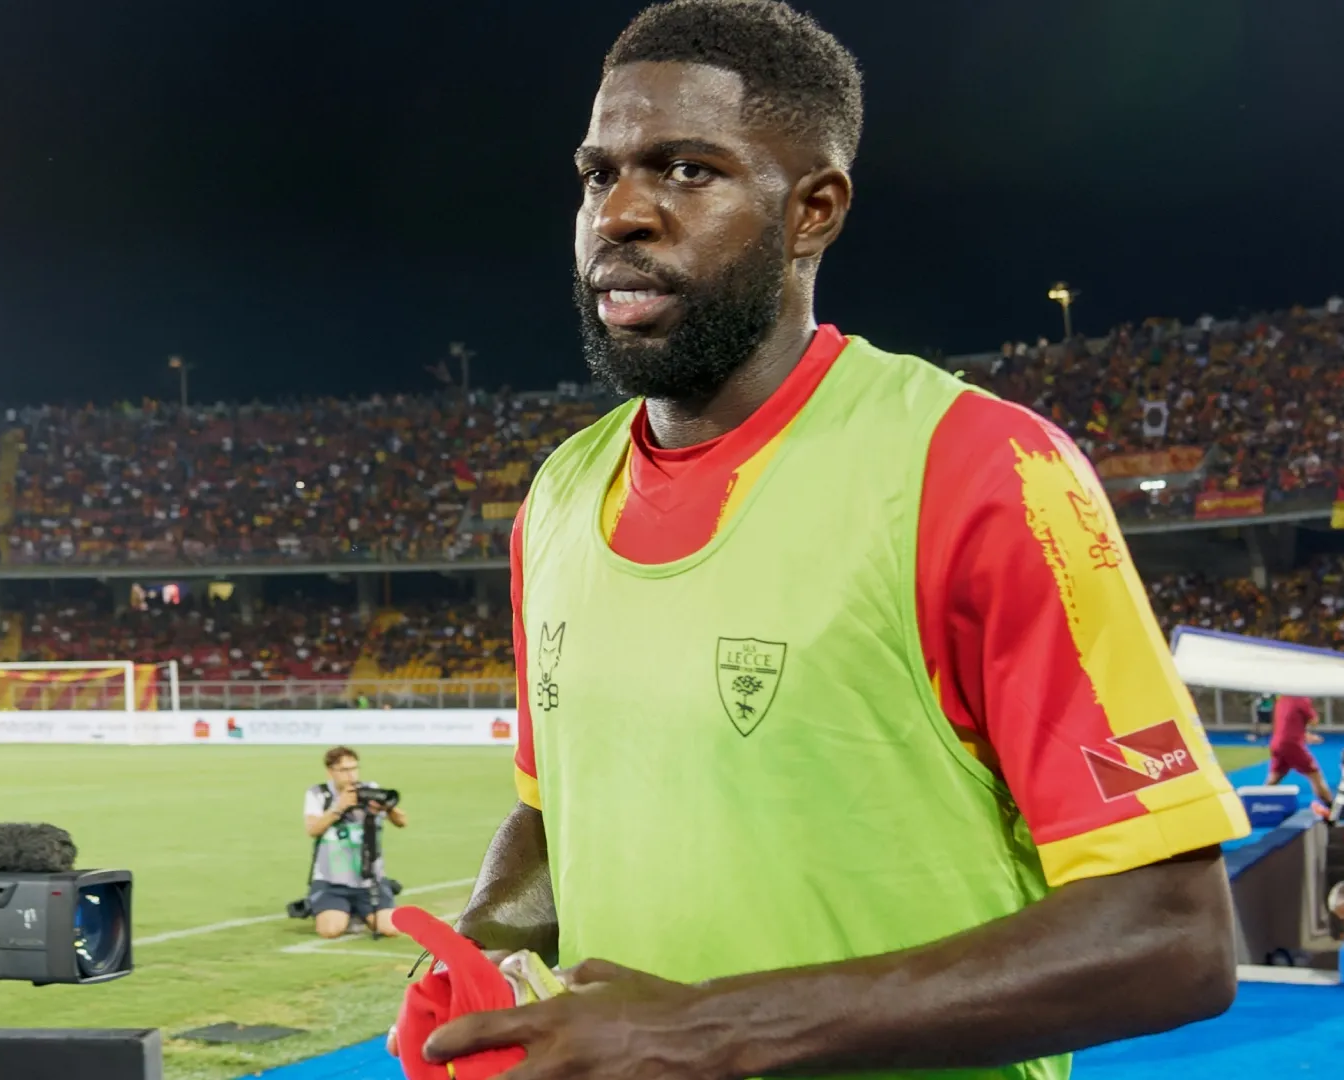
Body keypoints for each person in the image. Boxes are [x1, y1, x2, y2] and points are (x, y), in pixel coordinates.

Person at [413, 4, 1249, 1078]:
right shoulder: (561, 497)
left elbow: (1170, 938)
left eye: (685, 171)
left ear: (813, 210)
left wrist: (706, 1030)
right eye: (597, 173)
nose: (619, 213)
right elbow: (551, 817)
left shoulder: (978, 468)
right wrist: (482, 952)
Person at [302, 746, 406, 939]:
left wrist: (388, 809)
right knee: (330, 930)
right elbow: (313, 829)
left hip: (369, 879)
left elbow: (402, 822)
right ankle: (345, 911)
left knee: (391, 929)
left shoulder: (370, 790)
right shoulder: (319, 794)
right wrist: (339, 808)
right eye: (344, 770)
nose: (351, 775)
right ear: (331, 771)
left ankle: (360, 911)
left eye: (354, 768)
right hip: (331, 879)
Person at [1267, 694, 1332, 817]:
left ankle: (1257, 803)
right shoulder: (1302, 700)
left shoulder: (1282, 700)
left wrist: (1303, 735)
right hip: (1291, 745)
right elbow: (1314, 720)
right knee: (1315, 775)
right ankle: (1331, 807)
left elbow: (1288, 724)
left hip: (1276, 743)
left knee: (1275, 777)